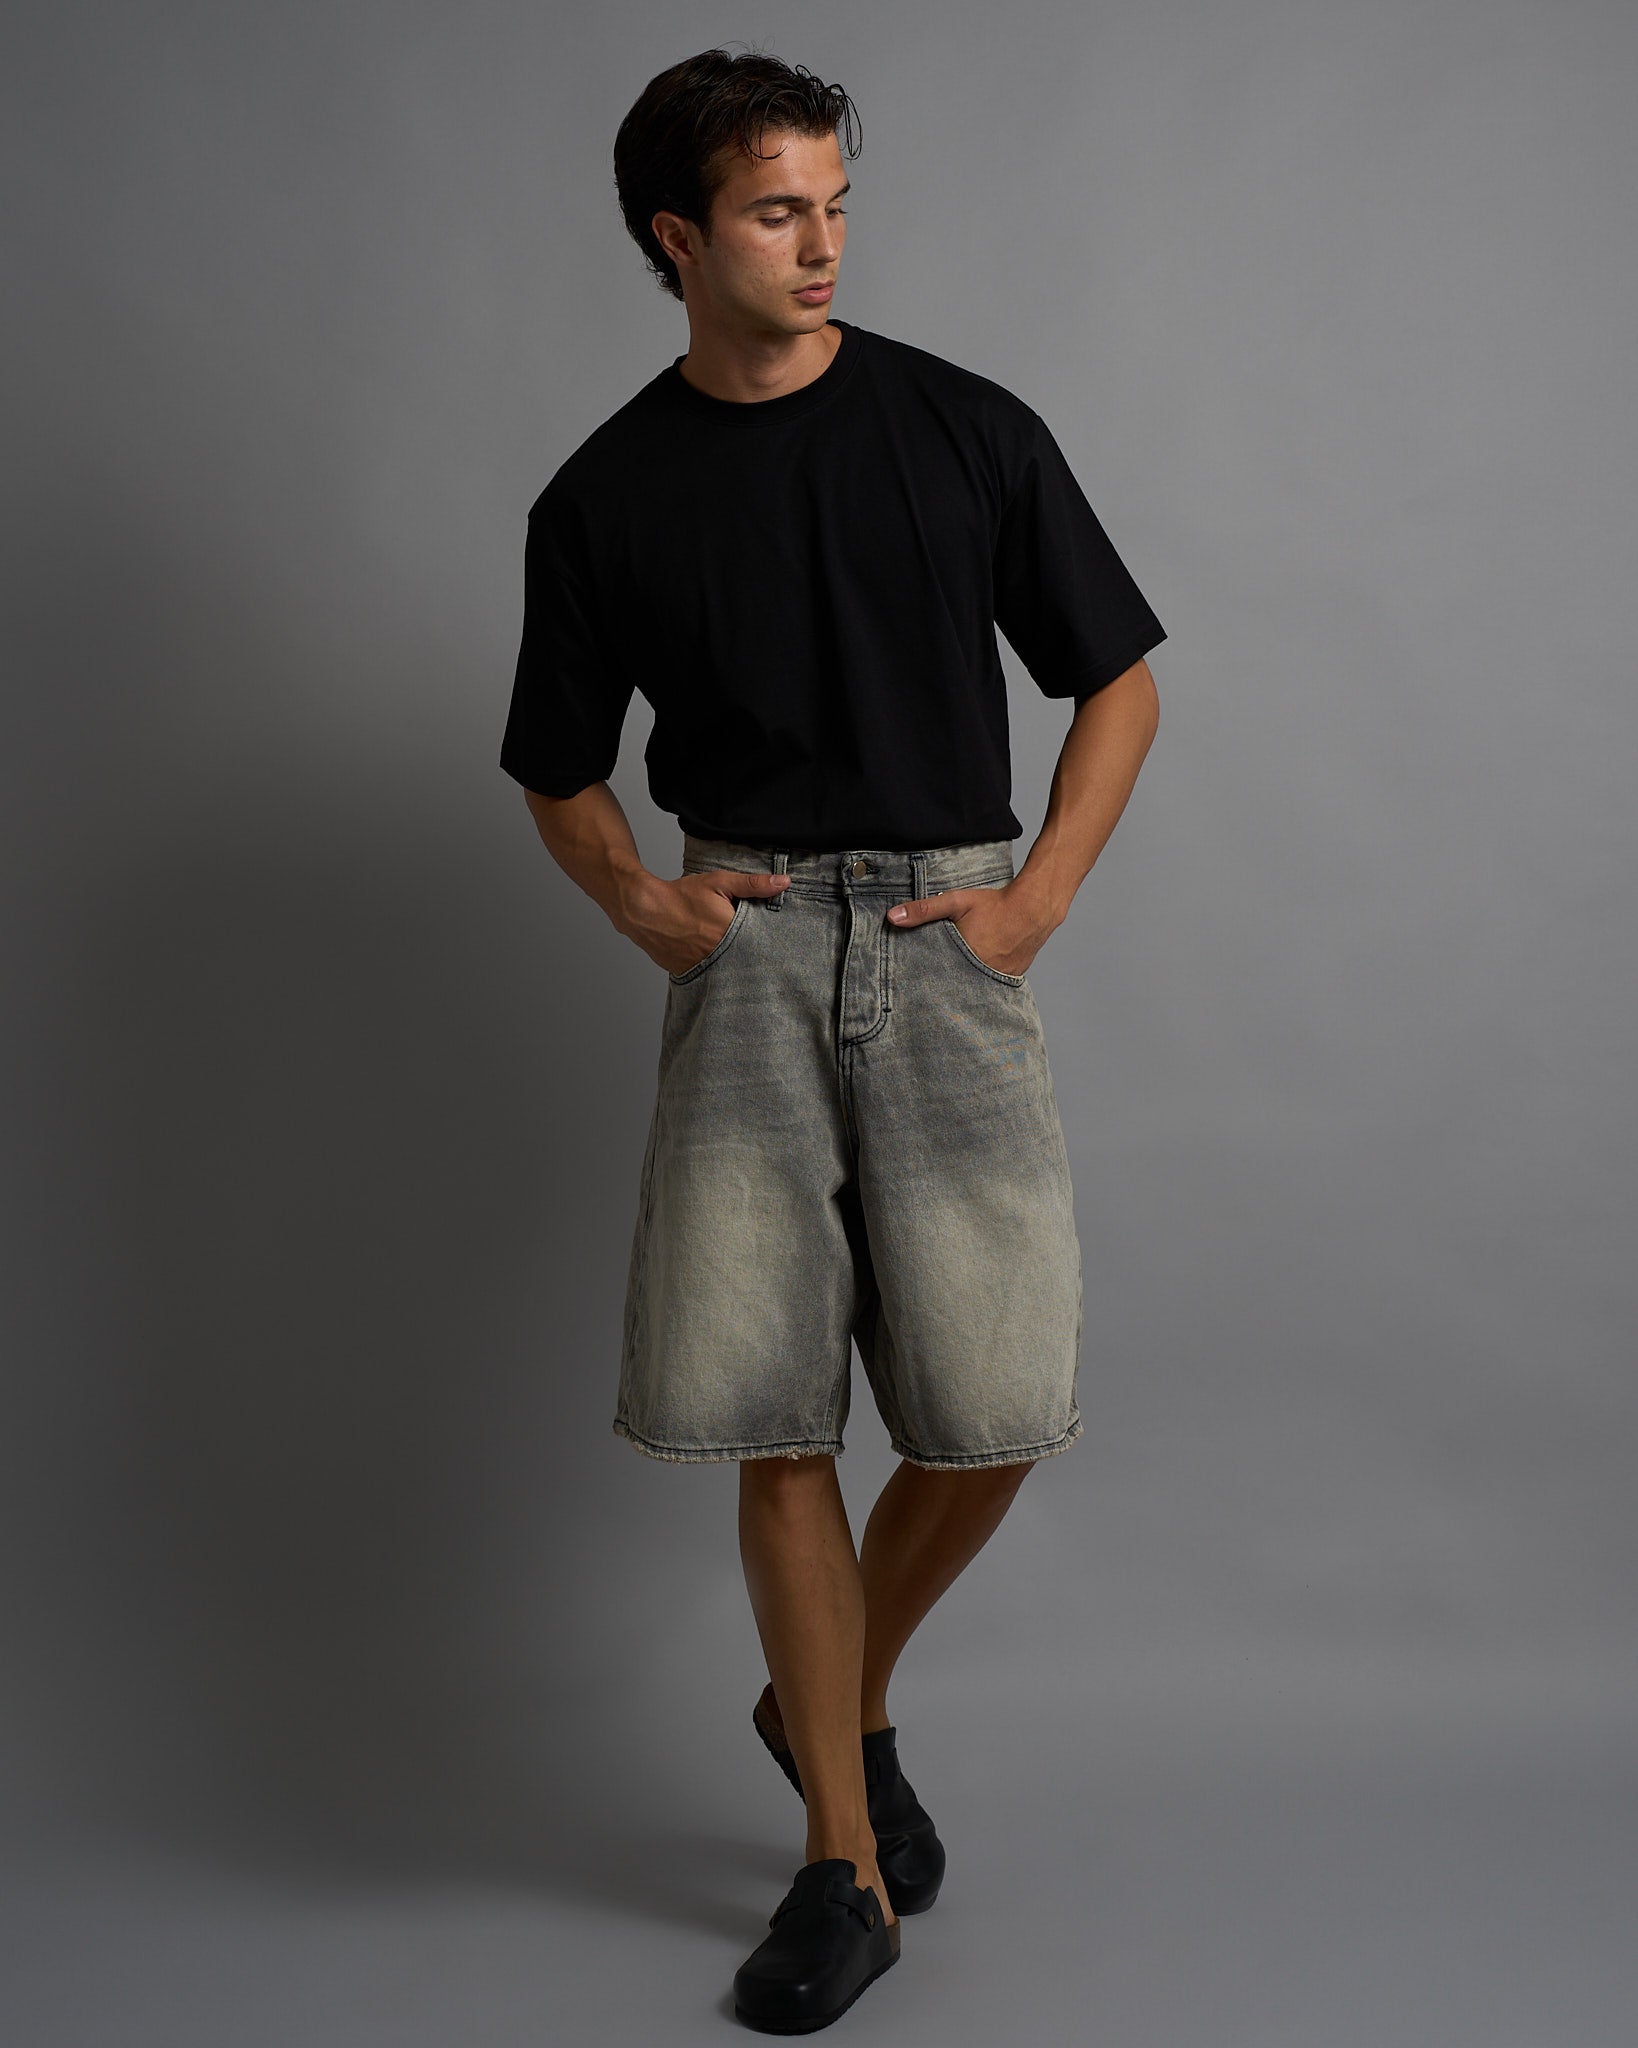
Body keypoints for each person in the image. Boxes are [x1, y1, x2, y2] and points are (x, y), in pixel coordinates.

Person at [499, 47, 1164, 2034]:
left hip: (954, 943)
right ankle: (839, 1870)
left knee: (996, 1407)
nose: (822, 245)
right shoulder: (604, 493)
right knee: (776, 1415)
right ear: (678, 238)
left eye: (835, 205)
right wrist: (641, 904)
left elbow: (1119, 678)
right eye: (778, 212)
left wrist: (1037, 900)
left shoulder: (964, 428)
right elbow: (555, 768)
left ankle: (828, 1701)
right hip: (757, 952)